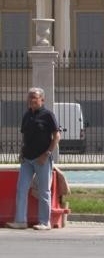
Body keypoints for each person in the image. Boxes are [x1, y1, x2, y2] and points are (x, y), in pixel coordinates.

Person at [9, 88, 60, 230]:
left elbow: (56, 136)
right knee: (21, 189)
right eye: (30, 97)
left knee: (44, 191)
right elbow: (25, 137)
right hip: (27, 159)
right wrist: (21, 153)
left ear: (42, 100)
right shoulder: (26, 115)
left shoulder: (48, 115)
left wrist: (47, 154)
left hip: (42, 159)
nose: (31, 100)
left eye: (35, 98)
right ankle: (20, 221)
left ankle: (45, 222)